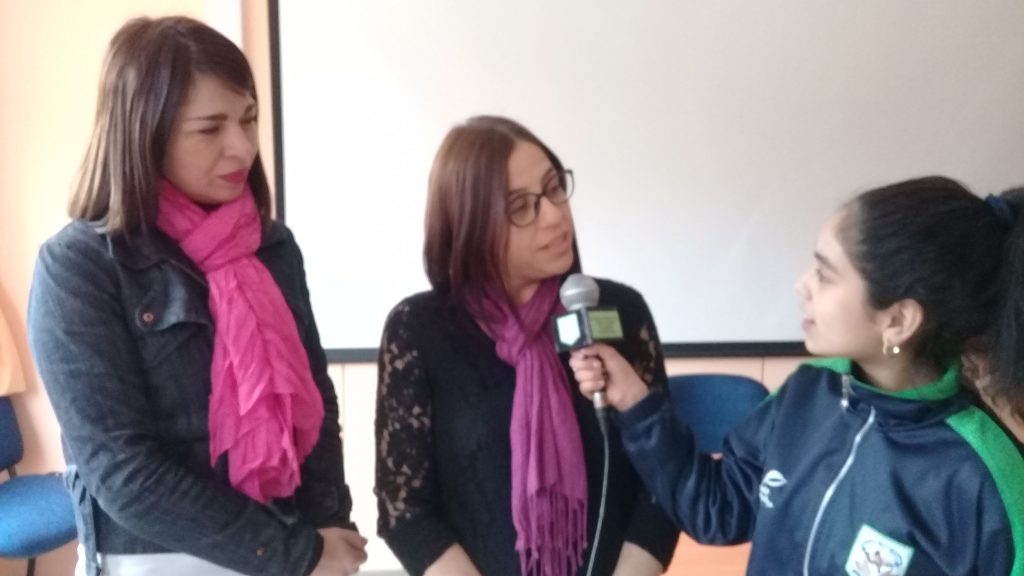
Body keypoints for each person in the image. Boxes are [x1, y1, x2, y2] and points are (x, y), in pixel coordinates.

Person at [27, 16, 366, 576]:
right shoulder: (78, 267)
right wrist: (295, 554)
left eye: (249, 119)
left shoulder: (273, 246)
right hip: (160, 560)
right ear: (145, 133)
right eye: (210, 129)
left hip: (293, 544)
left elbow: (315, 400)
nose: (243, 147)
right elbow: (123, 472)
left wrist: (331, 532)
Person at [571, 176, 1024, 575]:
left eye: (825, 275)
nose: (800, 284)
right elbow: (718, 509)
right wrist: (637, 403)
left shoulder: (985, 477)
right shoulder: (809, 391)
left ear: (898, 320)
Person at [374, 116, 679, 576]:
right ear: (471, 225)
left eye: (555, 188)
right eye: (522, 207)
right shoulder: (418, 330)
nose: (555, 215)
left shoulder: (620, 311)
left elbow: (663, 484)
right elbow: (405, 510)